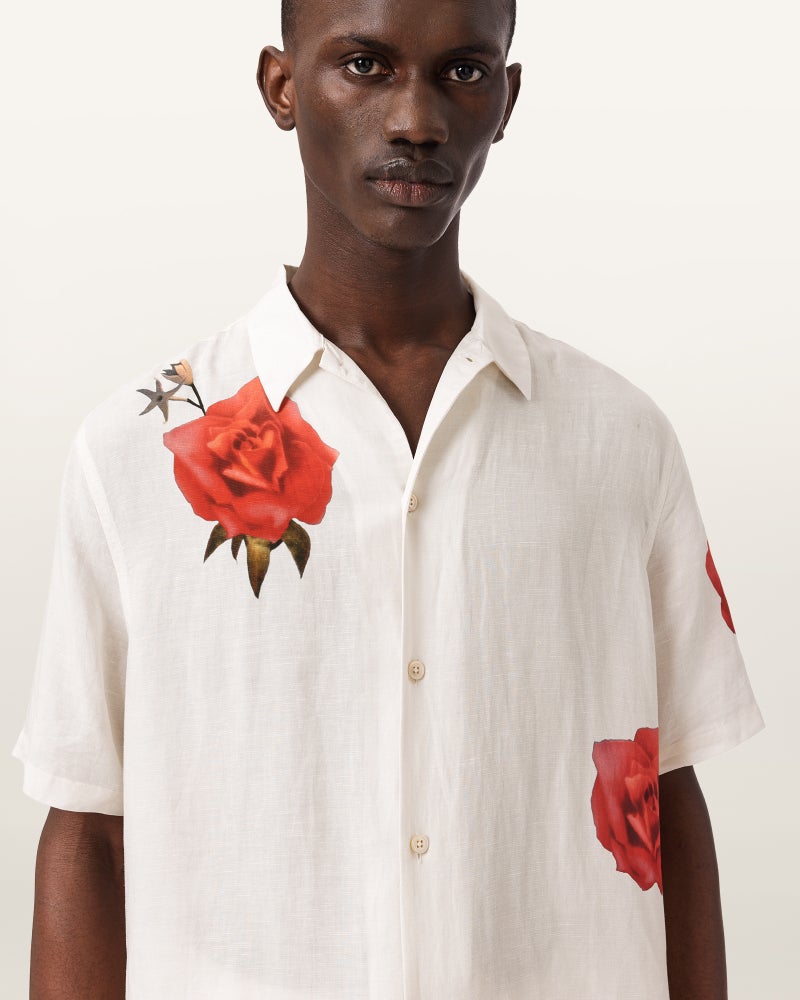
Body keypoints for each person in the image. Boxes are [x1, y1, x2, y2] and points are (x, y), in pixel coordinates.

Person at [13, 0, 764, 997]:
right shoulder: (133, 453)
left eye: (463, 71)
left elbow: (666, 795)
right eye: (365, 65)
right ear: (282, 86)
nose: (417, 120)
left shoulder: (619, 441)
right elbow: (87, 827)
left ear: (507, 99)